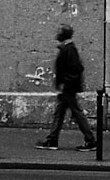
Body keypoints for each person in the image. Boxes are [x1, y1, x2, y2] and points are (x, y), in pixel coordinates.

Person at [36, 24, 97, 152]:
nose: (56, 33)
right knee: (60, 113)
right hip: (67, 88)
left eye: (59, 31)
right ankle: (52, 140)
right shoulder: (66, 48)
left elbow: (77, 68)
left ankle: (90, 140)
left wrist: (65, 82)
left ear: (64, 34)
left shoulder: (69, 49)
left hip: (68, 88)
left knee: (76, 113)